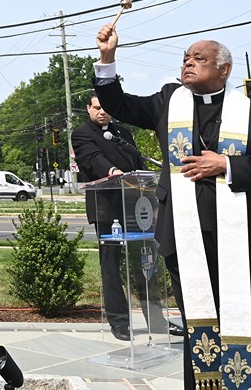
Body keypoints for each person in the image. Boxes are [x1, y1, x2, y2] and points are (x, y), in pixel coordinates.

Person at [93, 24, 251, 390]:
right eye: (185, 58)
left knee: (245, 330)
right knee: (199, 330)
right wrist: (107, 58)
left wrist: (227, 166)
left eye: (199, 58)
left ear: (224, 69)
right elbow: (118, 104)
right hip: (186, 239)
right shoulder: (167, 103)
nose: (188, 63)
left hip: (246, 241)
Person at [72, 94, 172, 341]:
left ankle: (157, 322)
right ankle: (119, 321)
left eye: (106, 107)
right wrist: (114, 172)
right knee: (111, 267)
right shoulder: (82, 133)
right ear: (88, 108)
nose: (102, 112)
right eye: (97, 108)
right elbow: (92, 158)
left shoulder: (122, 133)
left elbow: (136, 160)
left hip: (136, 206)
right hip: (107, 208)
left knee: (145, 264)